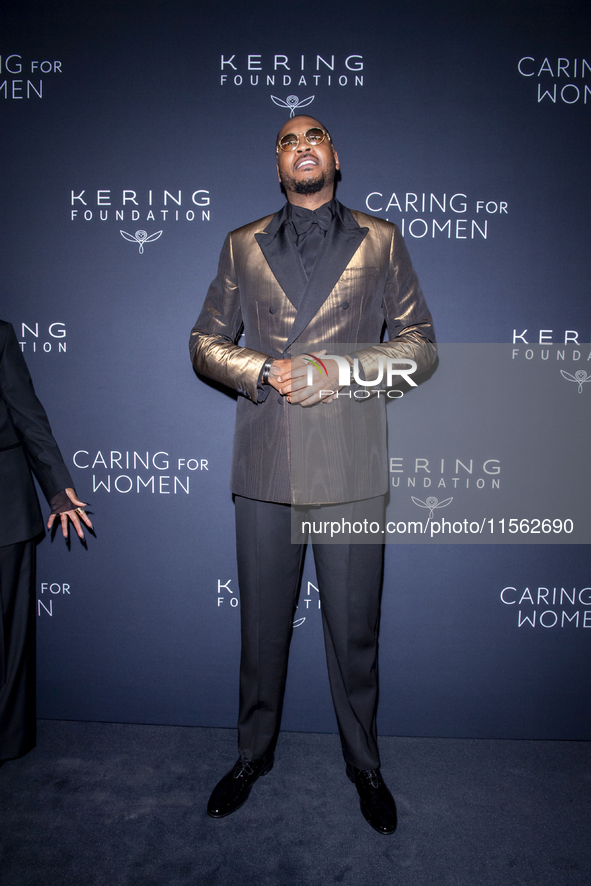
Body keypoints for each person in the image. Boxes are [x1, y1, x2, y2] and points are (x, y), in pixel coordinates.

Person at [189, 116, 436, 834]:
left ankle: (364, 765)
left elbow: (420, 348)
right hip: (266, 459)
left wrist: (340, 371)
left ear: (335, 156)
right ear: (277, 164)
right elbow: (204, 342)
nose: (303, 146)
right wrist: (263, 368)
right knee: (262, 629)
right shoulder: (242, 244)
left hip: (351, 461)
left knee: (354, 630)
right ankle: (251, 756)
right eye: (288, 140)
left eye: (315, 136)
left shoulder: (380, 239)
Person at [0, 319, 93, 764]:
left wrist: (58, 490)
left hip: (3, 509)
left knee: (7, 635)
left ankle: (5, 740)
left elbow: (27, 416)